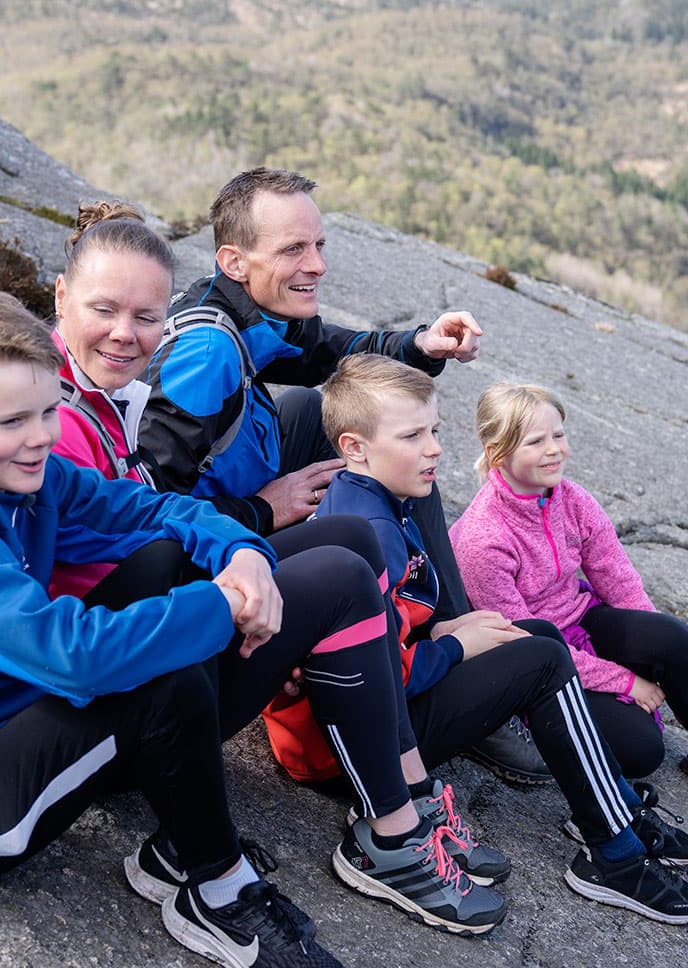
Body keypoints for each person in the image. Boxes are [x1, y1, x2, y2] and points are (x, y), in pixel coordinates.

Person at [0, 287, 349, 967]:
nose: (41, 436)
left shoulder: (15, 471)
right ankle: (216, 887)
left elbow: (150, 509)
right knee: (162, 679)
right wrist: (221, 606)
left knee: (166, 559)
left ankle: (181, 837)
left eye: (48, 410)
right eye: (12, 420)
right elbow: (73, 656)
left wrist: (243, 555)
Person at [45, 204, 506, 938]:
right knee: (341, 577)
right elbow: (135, 544)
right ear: (61, 297)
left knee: (348, 533)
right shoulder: (57, 419)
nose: (127, 333)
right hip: (133, 692)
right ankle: (392, 832)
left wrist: (414, 345)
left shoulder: (117, 387)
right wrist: (258, 527)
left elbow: (314, 347)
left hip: (155, 638)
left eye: (144, 316)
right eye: (105, 310)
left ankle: (409, 783)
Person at [141, 167, 549, 784]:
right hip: (210, 557)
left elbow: (320, 350)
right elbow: (147, 509)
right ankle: (435, 662)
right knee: (381, 463)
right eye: (293, 249)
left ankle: (440, 625)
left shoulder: (238, 308)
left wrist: (418, 345)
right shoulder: (207, 354)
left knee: (320, 414)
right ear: (234, 261)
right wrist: (264, 509)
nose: (317, 265)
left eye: (319, 245)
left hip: (229, 505)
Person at [274, 354, 688, 925]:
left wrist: (445, 629)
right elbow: (371, 679)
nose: (435, 449)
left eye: (435, 430)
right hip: (345, 751)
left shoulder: (380, 501)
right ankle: (615, 848)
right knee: (544, 659)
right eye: (413, 436)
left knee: (537, 637)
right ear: (354, 448)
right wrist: (457, 648)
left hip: (374, 723)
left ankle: (616, 810)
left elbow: (386, 634)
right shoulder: (374, 534)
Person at [451, 382, 688, 822]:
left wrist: (651, 657)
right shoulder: (483, 539)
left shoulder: (572, 499)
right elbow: (524, 643)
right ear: (497, 453)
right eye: (535, 441)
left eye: (558, 435)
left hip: (577, 618)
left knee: (672, 636)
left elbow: (618, 580)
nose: (554, 450)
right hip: (532, 661)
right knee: (642, 750)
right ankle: (523, 729)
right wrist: (624, 682)